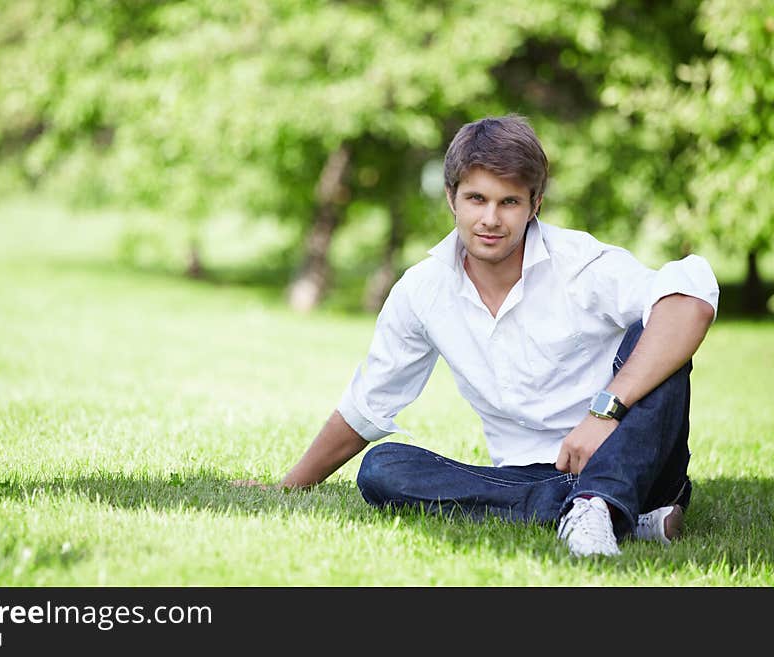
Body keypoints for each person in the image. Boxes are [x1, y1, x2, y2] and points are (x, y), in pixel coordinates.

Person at [256, 115, 719, 557]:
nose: (491, 219)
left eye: (509, 202)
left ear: (535, 204)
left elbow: (691, 300)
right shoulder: (423, 289)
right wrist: (289, 486)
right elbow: (368, 405)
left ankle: (603, 500)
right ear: (451, 199)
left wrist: (604, 413)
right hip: (526, 475)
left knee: (658, 331)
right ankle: (605, 511)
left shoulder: (580, 263)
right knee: (384, 469)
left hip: (633, 457)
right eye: (477, 199)